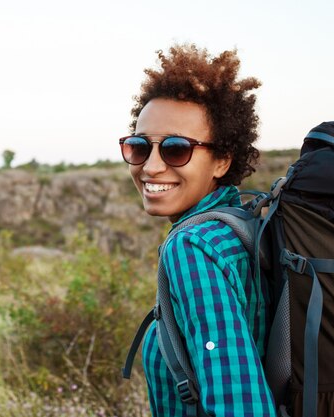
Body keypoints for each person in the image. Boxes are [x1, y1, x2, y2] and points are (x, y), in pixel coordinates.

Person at [119, 44, 276, 416]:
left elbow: (240, 402)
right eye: (139, 147)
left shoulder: (194, 246)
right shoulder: (244, 225)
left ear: (222, 159)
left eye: (175, 149)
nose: (151, 167)